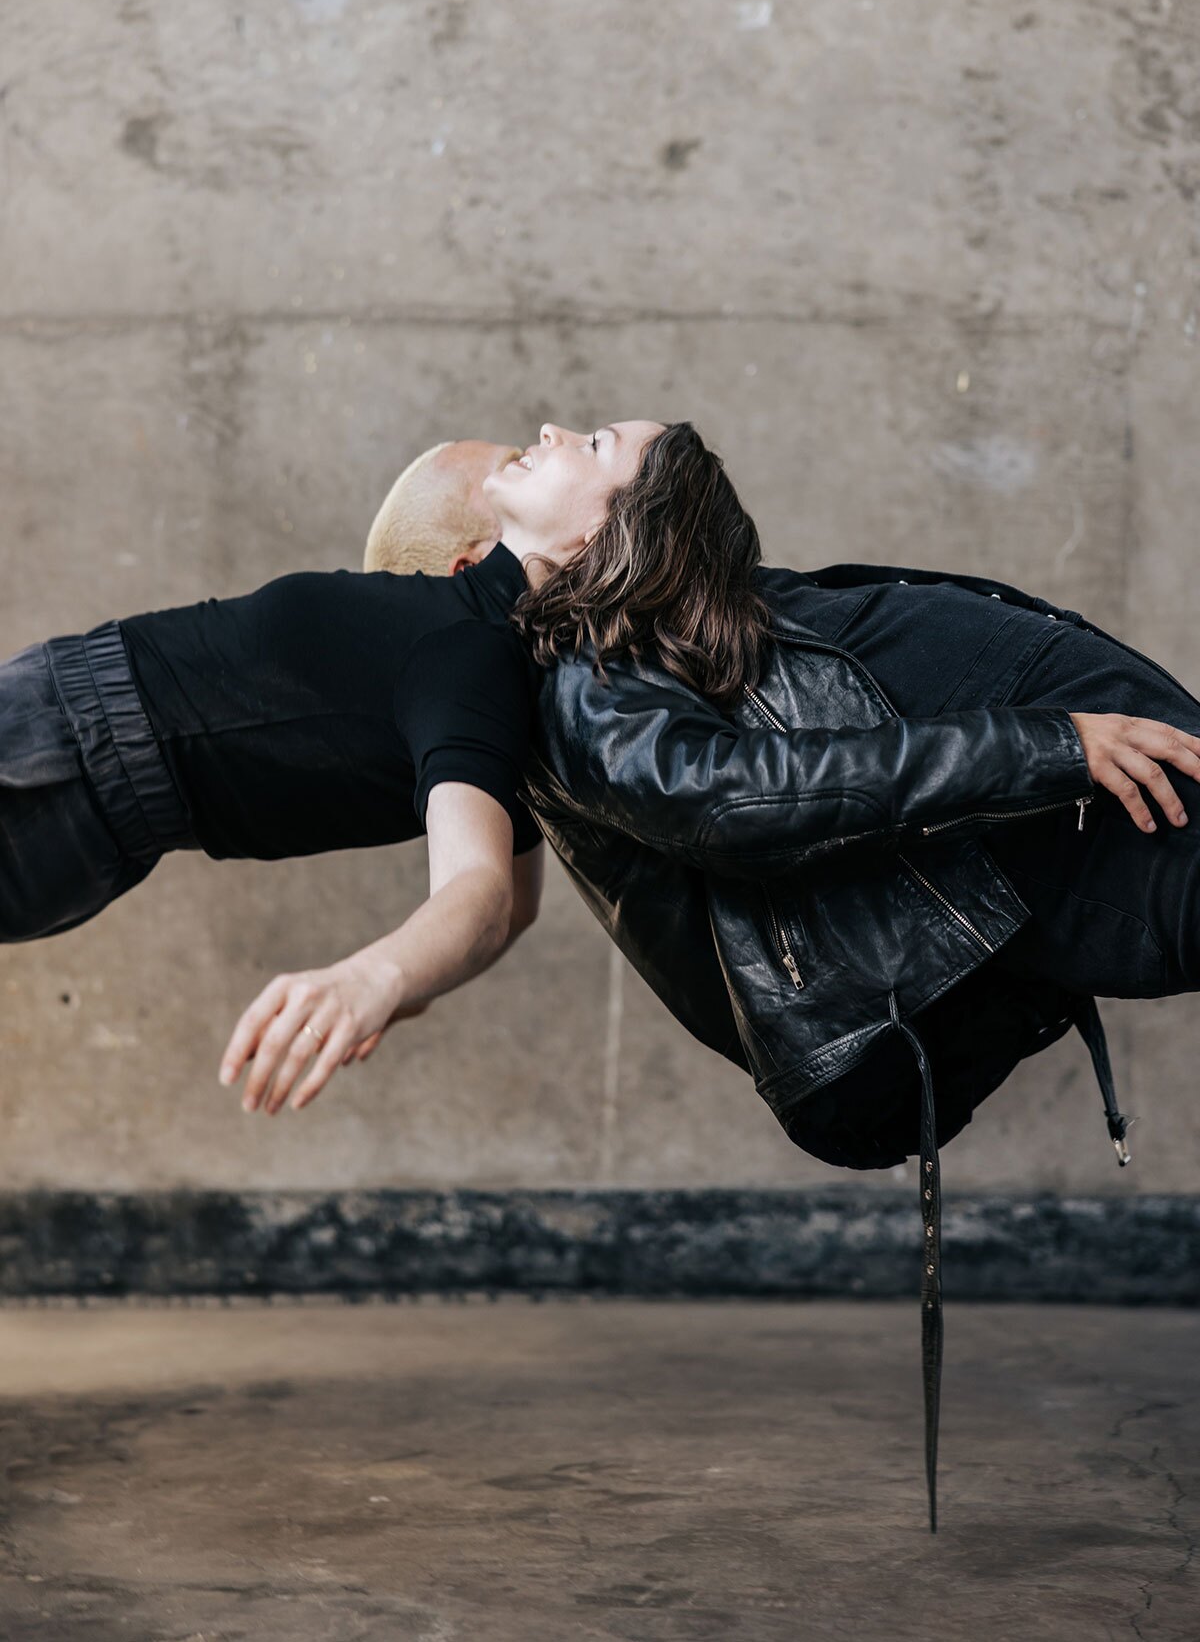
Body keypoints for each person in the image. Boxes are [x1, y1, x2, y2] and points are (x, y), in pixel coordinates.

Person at [364, 419, 1200, 1531]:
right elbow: (724, 795)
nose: (554, 430)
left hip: (1088, 823)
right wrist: (1044, 744)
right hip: (1079, 834)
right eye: (523, 461)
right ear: (496, 559)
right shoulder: (574, 673)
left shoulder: (647, 630)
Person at [0, 420, 664, 1120]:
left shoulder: (468, 654)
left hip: (63, 757)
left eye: (594, 444)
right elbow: (514, 905)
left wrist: (375, 978)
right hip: (76, 780)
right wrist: (403, 986)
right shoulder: (491, 675)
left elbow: (486, 892)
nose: (551, 430)